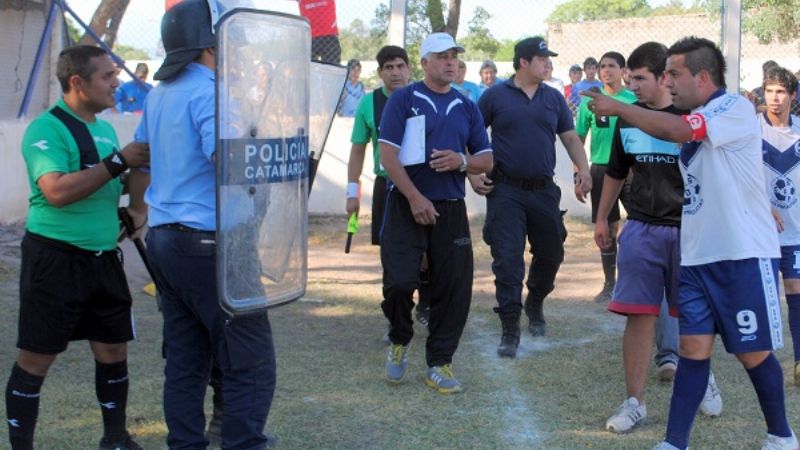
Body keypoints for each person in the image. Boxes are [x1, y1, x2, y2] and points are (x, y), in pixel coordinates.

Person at [586, 35, 798, 450]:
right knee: (692, 348)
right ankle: (674, 442)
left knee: (750, 353)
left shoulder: (731, 107)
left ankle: (781, 435)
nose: (668, 81)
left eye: (674, 74)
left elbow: (681, 130)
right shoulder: (700, 110)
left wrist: (618, 106)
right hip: (699, 255)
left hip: (740, 254)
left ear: (702, 77)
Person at [135, 1, 276, 448]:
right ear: (213, 43)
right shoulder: (211, 93)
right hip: (211, 243)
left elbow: (141, 155)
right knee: (249, 359)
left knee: (185, 359)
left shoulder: (160, 93)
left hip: (165, 240)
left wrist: (142, 210)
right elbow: (229, 166)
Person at [4, 44, 149, 450]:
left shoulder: (104, 130)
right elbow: (56, 191)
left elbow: (116, 179)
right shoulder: (46, 129)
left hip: (103, 260)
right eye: (107, 76)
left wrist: (138, 201)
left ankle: (115, 439)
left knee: (113, 348)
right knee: (36, 358)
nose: (117, 82)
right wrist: (120, 163)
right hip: (55, 260)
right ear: (77, 82)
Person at [594, 42, 721, 434]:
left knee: (693, 315)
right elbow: (616, 171)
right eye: (629, 79)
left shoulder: (693, 116)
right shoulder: (628, 118)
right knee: (638, 315)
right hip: (642, 228)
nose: (632, 86)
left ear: (664, 77)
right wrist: (603, 218)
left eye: (640, 79)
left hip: (690, 231)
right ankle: (635, 402)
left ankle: (703, 378)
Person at [378, 32, 493, 393]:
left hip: (450, 208)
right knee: (399, 283)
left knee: (454, 288)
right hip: (405, 204)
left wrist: (462, 161)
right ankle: (399, 338)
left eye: (454, 56)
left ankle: (439, 363)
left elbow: (486, 159)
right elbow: (387, 157)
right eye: (441, 56)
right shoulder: (404, 99)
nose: (450, 62)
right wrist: (414, 198)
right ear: (425, 62)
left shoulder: (467, 105)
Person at [470, 36, 591, 357]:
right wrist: (471, 173)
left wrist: (584, 169)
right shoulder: (494, 95)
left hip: (543, 190)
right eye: (542, 59)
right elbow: (472, 136)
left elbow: (570, 138)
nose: (548, 64)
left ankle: (534, 302)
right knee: (507, 259)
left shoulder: (553, 98)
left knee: (551, 253)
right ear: (523, 62)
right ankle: (510, 326)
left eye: (549, 60)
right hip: (505, 190)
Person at [344, 45, 431, 334]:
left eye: (400, 66)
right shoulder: (369, 104)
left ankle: (427, 304)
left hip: (426, 182)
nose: (395, 72)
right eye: (388, 67)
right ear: (380, 72)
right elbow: (357, 151)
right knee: (393, 255)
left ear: (410, 68)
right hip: (388, 185)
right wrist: (351, 193)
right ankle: (396, 317)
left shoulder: (425, 96)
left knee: (429, 251)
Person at [576, 51, 637, 303]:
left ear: (623, 71)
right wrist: (579, 173)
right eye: (603, 66)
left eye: (612, 66)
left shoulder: (633, 100)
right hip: (602, 168)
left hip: (633, 169)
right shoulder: (590, 102)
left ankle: (633, 281)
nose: (606, 71)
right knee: (607, 227)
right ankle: (609, 284)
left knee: (637, 224)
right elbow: (577, 138)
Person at [759, 65, 800, 387]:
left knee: (796, 288)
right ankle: (764, 363)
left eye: (781, 92)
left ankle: (799, 361)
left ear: (792, 96)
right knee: (765, 295)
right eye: (770, 91)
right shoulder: (750, 131)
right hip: (760, 231)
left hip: (796, 230)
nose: (775, 98)